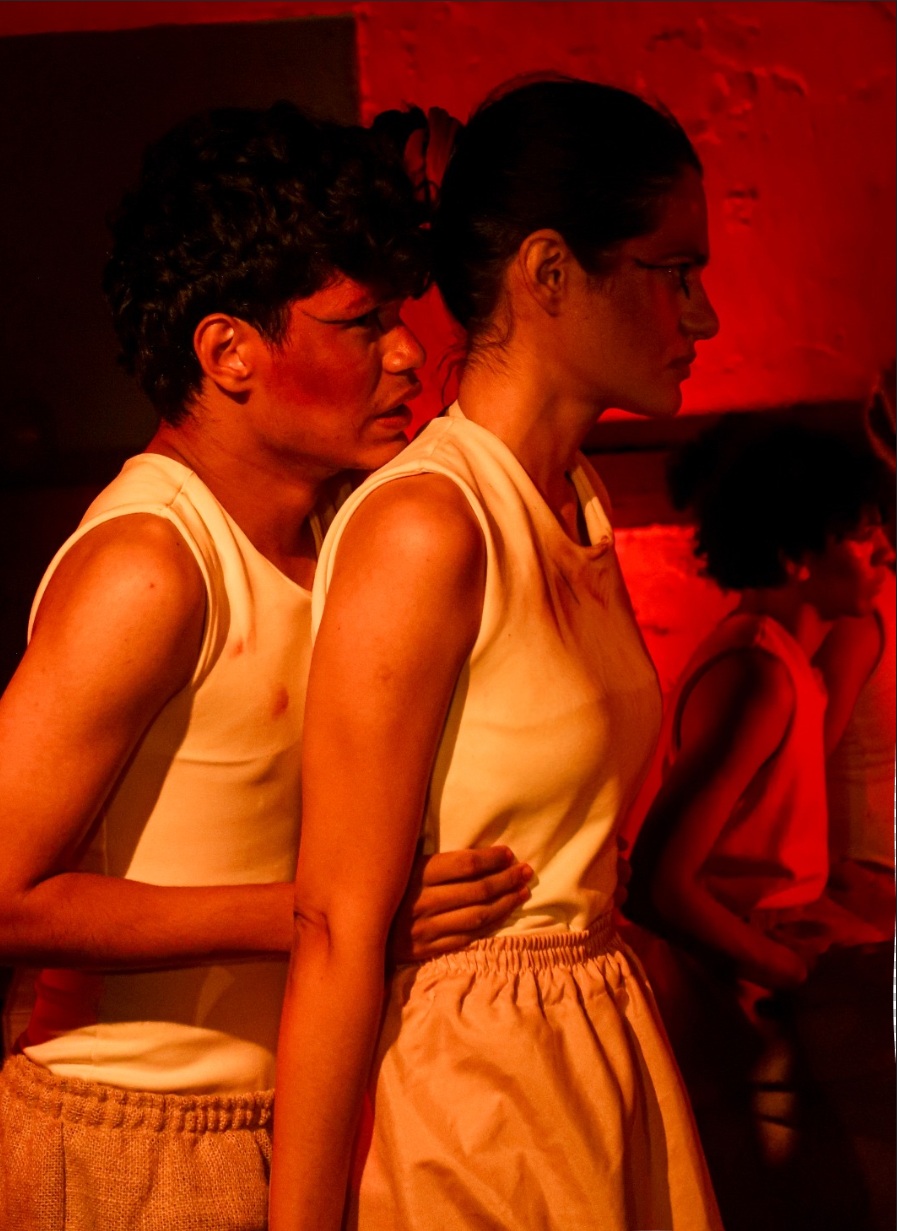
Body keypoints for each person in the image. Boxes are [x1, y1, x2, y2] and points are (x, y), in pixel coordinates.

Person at [0, 102, 532, 1231]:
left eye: (402, 315)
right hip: (131, 1131)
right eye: (361, 323)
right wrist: (326, 914)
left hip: (300, 1117)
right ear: (228, 352)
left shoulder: (352, 530)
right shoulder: (151, 562)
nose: (406, 352)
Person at [271, 77, 723, 1231]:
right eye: (674, 271)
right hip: (472, 1089)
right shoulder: (429, 524)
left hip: (595, 1044)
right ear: (550, 271)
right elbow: (333, 926)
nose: (706, 316)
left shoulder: (574, 498)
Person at [622, 415, 894, 1231]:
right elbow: (660, 880)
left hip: (758, 989)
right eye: (858, 532)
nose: (882, 548)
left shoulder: (787, 665)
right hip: (729, 995)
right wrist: (786, 966)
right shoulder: (755, 674)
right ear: (795, 553)